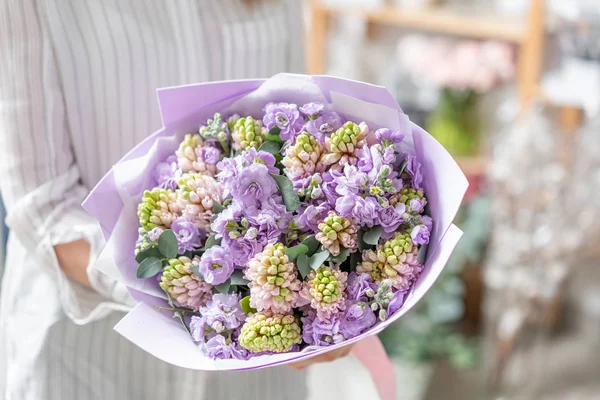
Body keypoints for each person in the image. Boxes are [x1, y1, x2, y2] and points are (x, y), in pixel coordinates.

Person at [0, 1, 352, 399]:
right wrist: (183, 291)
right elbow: (43, 208)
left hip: (253, 372)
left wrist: (325, 295)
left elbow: (291, 114)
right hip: (92, 361)